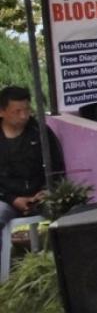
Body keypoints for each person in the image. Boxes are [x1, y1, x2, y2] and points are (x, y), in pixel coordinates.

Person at [0, 86, 65, 235]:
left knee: (64, 211)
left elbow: (57, 166)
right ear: (2, 111)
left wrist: (47, 190)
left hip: (40, 196)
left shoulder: (40, 132)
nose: (24, 116)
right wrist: (12, 199)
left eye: (27, 110)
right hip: (6, 199)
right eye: (17, 111)